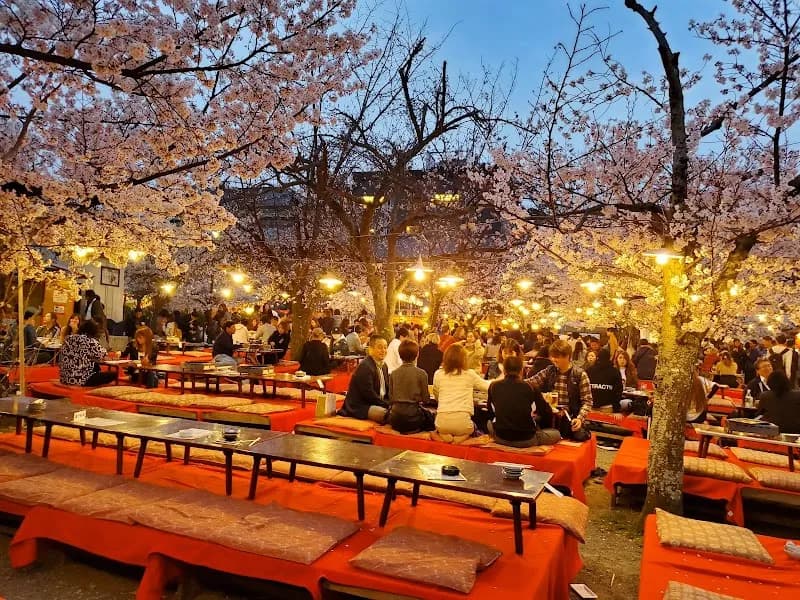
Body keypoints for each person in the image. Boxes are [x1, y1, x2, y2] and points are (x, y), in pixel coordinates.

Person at [524, 339, 593, 441]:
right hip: (549, 416)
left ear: (568, 356)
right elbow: (531, 382)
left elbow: (587, 401)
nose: (554, 359)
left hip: (569, 416)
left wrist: (579, 418)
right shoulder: (549, 370)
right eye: (552, 356)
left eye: (557, 357)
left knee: (579, 436)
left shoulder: (579, 375)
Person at [487, 355, 561, 447]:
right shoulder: (531, 387)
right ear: (521, 370)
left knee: (489, 423)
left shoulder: (493, 386)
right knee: (556, 433)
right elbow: (546, 412)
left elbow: (490, 412)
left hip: (500, 437)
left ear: (504, 370)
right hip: (527, 439)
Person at [432, 344, 491, 442]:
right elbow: (487, 386)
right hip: (463, 423)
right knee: (473, 428)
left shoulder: (438, 374)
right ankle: (459, 440)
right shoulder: (469, 374)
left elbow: (437, 395)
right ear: (464, 359)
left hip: (441, 422)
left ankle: (445, 437)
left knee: (441, 428)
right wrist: (500, 380)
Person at [387, 339, 435, 433]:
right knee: (431, 417)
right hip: (413, 418)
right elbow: (426, 399)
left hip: (395, 419)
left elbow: (391, 398)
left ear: (400, 355)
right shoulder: (422, 374)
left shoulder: (393, 373)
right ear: (417, 355)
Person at [340, 335, 390, 422]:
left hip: (378, 402)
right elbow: (369, 394)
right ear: (371, 350)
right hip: (362, 406)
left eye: (385, 347)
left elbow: (387, 389)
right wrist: (387, 404)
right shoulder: (365, 367)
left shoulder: (384, 365)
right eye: (380, 347)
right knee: (387, 415)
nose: (383, 351)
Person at [59, 320, 115, 386]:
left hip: (64, 378)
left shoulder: (68, 338)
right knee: (113, 374)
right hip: (80, 379)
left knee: (95, 365)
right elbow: (103, 355)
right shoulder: (90, 341)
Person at [586, 348, 623, 412]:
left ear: (597, 357)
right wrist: (616, 409)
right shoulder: (615, 371)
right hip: (608, 407)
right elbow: (618, 391)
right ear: (609, 357)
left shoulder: (589, 370)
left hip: (590, 407)